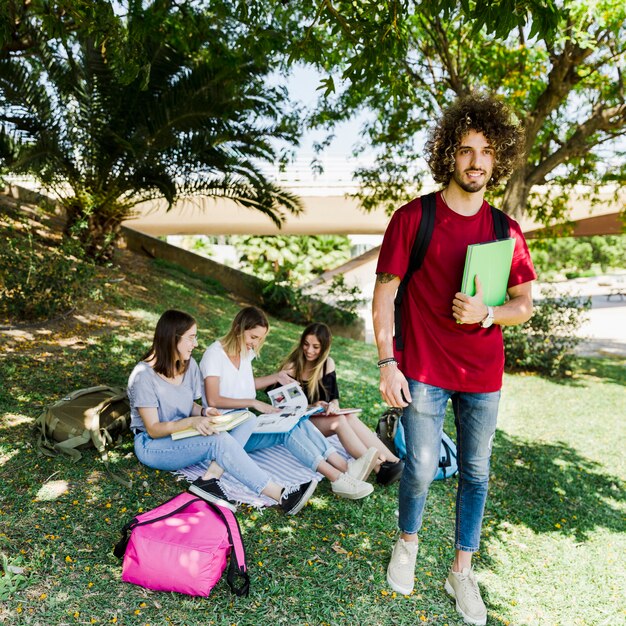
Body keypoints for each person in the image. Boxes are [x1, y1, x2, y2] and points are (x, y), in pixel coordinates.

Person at [372, 94, 536, 625]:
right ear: (449, 155)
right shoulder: (413, 218)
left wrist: (488, 312)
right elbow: (384, 294)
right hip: (423, 368)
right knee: (419, 466)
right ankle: (408, 543)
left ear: (497, 160)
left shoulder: (505, 230)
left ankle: (461, 571)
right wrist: (386, 361)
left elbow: (524, 306)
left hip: (482, 375)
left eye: (486, 151)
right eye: (465, 150)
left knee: (477, 473)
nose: (475, 161)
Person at [128, 309, 317, 516]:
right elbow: (153, 429)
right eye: (191, 338)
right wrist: (192, 421)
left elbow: (187, 404)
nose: (196, 344)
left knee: (248, 420)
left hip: (183, 435)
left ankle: (209, 479)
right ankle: (281, 495)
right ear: (172, 337)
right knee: (219, 441)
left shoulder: (188, 365)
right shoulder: (143, 376)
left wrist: (205, 410)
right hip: (152, 445)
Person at [199, 306, 374, 500]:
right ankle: (338, 478)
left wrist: (278, 377)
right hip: (226, 431)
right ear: (238, 328)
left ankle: (344, 469)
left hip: (244, 423)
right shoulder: (214, 355)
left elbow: (247, 385)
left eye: (260, 338)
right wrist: (254, 403)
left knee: (295, 421)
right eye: (253, 337)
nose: (256, 344)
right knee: (287, 430)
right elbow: (213, 399)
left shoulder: (244, 352)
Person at [281, 322, 404, 485]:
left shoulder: (326, 364)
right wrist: (312, 406)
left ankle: (393, 461)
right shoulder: (291, 368)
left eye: (316, 347)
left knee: (348, 416)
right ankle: (379, 468)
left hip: (319, 416)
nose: (309, 351)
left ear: (324, 348)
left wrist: (333, 405)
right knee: (338, 421)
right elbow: (281, 408)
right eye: (306, 344)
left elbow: (334, 396)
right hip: (300, 423)